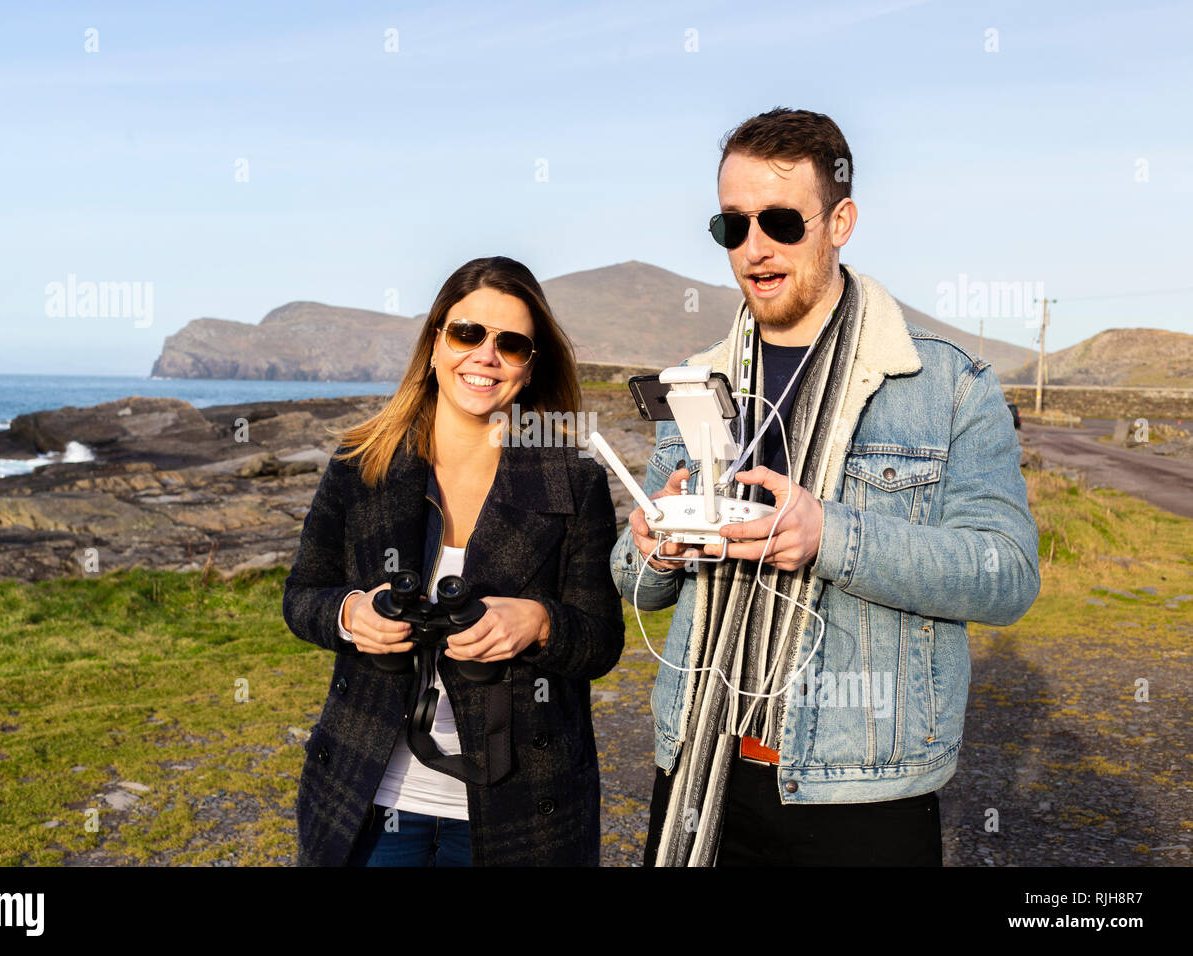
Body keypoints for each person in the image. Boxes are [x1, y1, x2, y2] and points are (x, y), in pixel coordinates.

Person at [609, 108, 1041, 866]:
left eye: (780, 220)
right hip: (699, 773)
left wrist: (829, 536)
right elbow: (633, 583)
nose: (755, 248)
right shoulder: (698, 379)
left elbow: (1005, 573)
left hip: (860, 794)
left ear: (840, 221)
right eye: (731, 226)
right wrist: (656, 545)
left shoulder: (946, 386)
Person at [284, 255, 624, 866]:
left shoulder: (574, 482)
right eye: (467, 333)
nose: (485, 357)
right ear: (436, 341)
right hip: (374, 799)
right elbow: (302, 595)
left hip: (523, 808)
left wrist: (540, 623)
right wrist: (350, 612)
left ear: (530, 364)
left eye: (511, 344)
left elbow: (600, 642)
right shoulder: (360, 466)